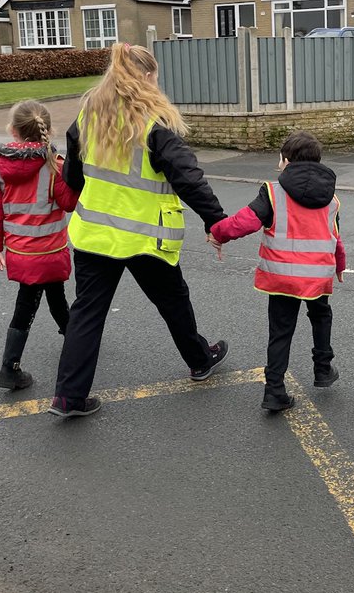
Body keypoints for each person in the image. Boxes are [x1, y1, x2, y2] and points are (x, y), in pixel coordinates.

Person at [48, 43, 228, 419]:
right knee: (173, 301)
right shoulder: (154, 126)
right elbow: (189, 179)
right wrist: (216, 222)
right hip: (146, 236)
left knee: (87, 313)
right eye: (155, 77)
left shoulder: (85, 119)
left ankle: (68, 397)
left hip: (95, 233)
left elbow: (73, 178)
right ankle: (199, 360)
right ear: (146, 78)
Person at [208, 130, 345, 413]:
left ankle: (275, 391)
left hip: (283, 277)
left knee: (281, 332)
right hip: (318, 275)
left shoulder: (272, 192)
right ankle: (323, 368)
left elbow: (243, 223)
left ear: (285, 160)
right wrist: (339, 267)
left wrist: (217, 233)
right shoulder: (331, 198)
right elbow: (335, 237)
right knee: (321, 315)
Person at [0, 99, 78, 391]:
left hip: (21, 253)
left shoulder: (0, 168)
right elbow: (69, 203)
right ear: (48, 130)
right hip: (50, 251)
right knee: (45, 298)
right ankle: (10, 366)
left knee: (41, 298)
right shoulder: (54, 166)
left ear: (13, 131)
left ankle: (74, 337)